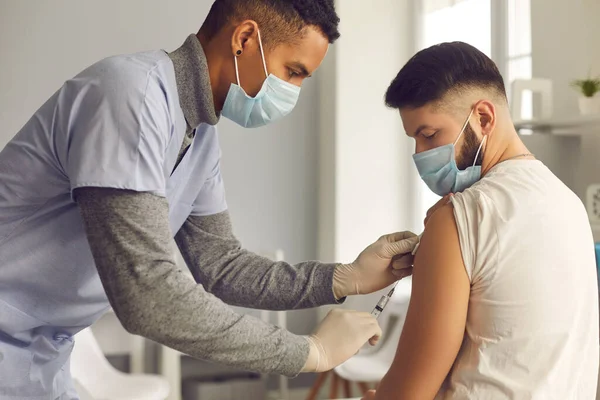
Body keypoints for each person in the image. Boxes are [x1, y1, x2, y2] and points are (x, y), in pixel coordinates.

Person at [0, 0, 419, 398]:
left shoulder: (200, 136)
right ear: (244, 40)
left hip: (42, 362)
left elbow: (221, 266)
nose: (294, 90)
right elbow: (148, 296)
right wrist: (311, 352)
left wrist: (345, 278)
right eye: (293, 72)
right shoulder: (131, 94)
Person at [363, 42, 599, 399]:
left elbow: (407, 394)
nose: (420, 155)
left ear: (484, 118)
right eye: (414, 140)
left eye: (429, 135)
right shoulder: (570, 204)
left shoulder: (460, 216)